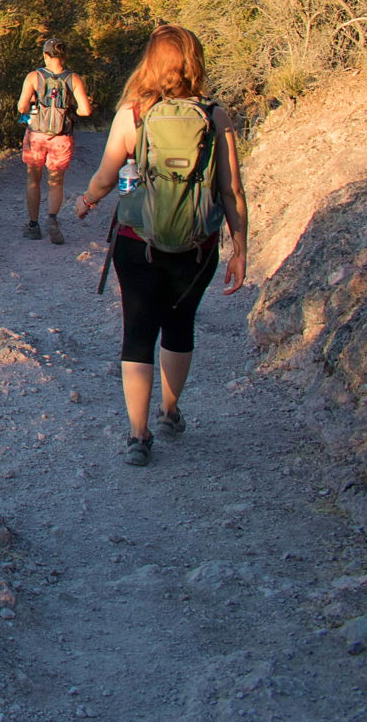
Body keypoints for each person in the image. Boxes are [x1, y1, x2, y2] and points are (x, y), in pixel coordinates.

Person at [71, 24, 249, 468]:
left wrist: (88, 200)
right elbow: (232, 191)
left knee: (138, 331)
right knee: (179, 325)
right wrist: (241, 247)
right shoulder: (215, 116)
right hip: (198, 245)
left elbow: (107, 177)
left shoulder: (132, 114)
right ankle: (170, 412)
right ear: (195, 63)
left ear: (149, 63)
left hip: (138, 242)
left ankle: (137, 434)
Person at [15, 38, 92, 243]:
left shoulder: (34, 76)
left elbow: (22, 107)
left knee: (33, 180)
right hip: (61, 137)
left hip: (36, 136)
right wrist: (67, 110)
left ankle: (33, 225)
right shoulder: (73, 78)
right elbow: (85, 110)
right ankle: (52, 219)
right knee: (56, 182)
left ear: (46, 55)